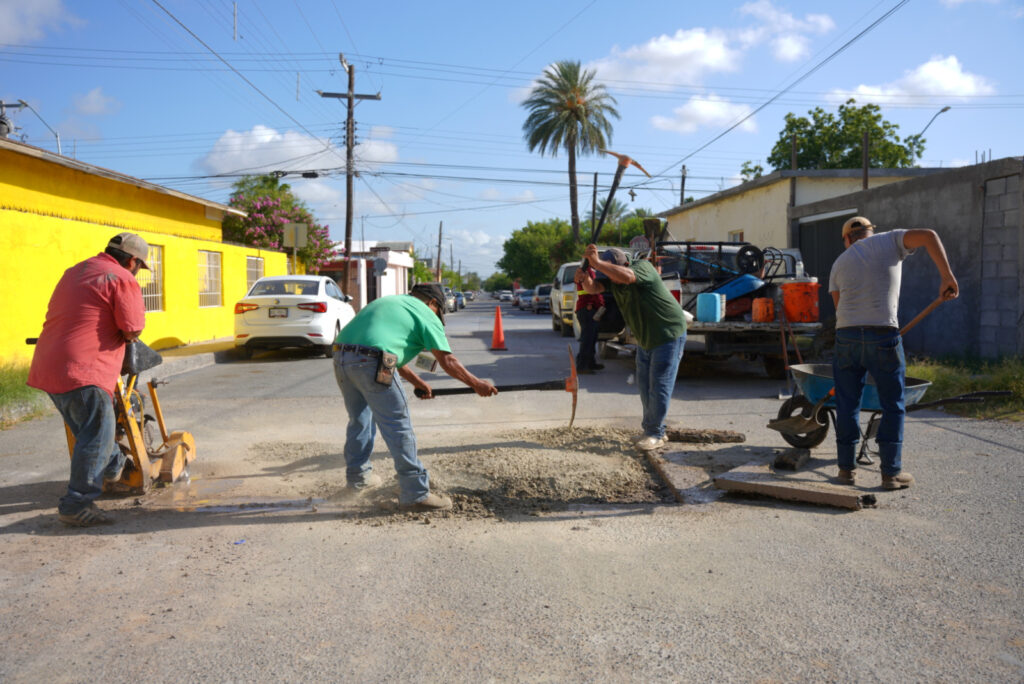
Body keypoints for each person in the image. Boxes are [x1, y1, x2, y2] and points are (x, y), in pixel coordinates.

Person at [332, 282, 498, 511]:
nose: (438, 316)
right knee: (398, 425)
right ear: (433, 303)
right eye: (439, 311)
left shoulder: (392, 302)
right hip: (372, 360)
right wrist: (476, 384)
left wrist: (418, 381)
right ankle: (415, 492)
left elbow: (387, 352)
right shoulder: (425, 313)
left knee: (360, 421)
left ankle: (358, 481)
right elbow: (447, 361)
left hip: (342, 357)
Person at [28, 232, 149, 527]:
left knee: (92, 432)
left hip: (48, 365)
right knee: (95, 435)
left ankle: (115, 467)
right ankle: (76, 503)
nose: (136, 272)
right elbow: (132, 328)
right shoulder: (121, 277)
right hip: (85, 369)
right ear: (132, 260)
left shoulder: (76, 271)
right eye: (138, 266)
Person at [829, 216, 959, 489]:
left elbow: (840, 310)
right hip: (882, 336)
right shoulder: (888, 240)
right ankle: (890, 473)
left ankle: (845, 470)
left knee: (847, 404)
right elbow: (929, 233)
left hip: (847, 338)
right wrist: (947, 276)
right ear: (869, 232)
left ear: (846, 239)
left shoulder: (839, 263)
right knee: (892, 404)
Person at [575, 245, 686, 450]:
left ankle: (655, 433)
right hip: (645, 338)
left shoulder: (643, 267)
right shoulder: (614, 280)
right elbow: (593, 288)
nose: (610, 279)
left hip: (667, 334)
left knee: (659, 385)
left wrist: (598, 263)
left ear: (623, 264)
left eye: (610, 271)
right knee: (644, 386)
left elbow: (626, 277)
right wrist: (585, 279)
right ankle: (651, 429)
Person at [574, 263, 605, 374]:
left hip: (590, 309)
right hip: (587, 309)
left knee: (591, 338)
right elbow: (590, 290)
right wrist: (591, 304)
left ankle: (591, 363)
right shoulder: (585, 272)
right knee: (587, 339)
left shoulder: (587, 271)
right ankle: (582, 366)